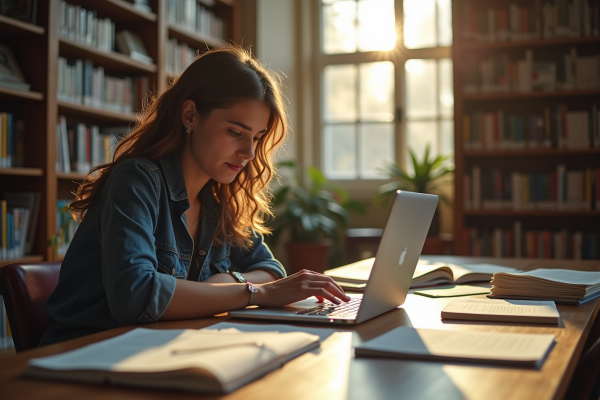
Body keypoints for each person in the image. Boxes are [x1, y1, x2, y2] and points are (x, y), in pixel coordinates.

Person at [40, 46, 350, 346]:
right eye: (235, 132)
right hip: (87, 352)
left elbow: (270, 269)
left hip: (163, 348)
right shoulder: (136, 180)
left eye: (256, 137)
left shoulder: (221, 197)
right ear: (190, 115)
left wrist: (219, 285)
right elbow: (135, 297)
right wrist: (257, 293)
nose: (249, 153)